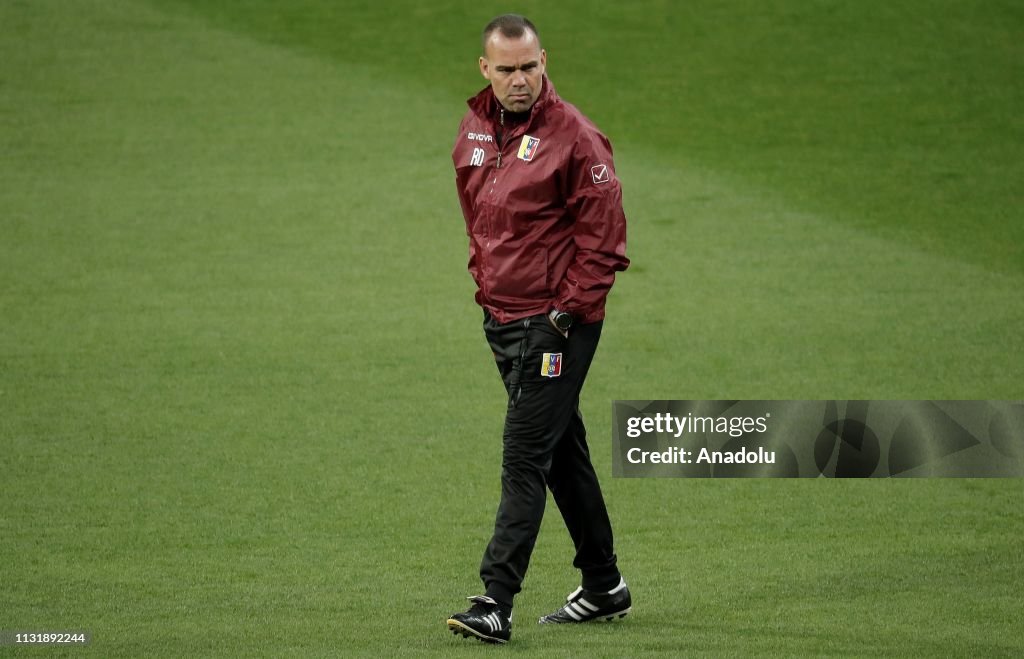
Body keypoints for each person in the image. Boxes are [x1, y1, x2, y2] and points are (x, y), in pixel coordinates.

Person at [446, 14, 632, 645]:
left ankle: (495, 600)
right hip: (502, 320)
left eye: (529, 67)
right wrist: (489, 290)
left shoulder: (576, 138)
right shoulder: (474, 131)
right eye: (507, 69)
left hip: (556, 327)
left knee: (524, 454)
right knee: (560, 453)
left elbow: (604, 245)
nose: (520, 80)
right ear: (486, 70)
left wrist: (562, 317)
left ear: (544, 60)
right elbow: (481, 223)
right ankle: (604, 585)